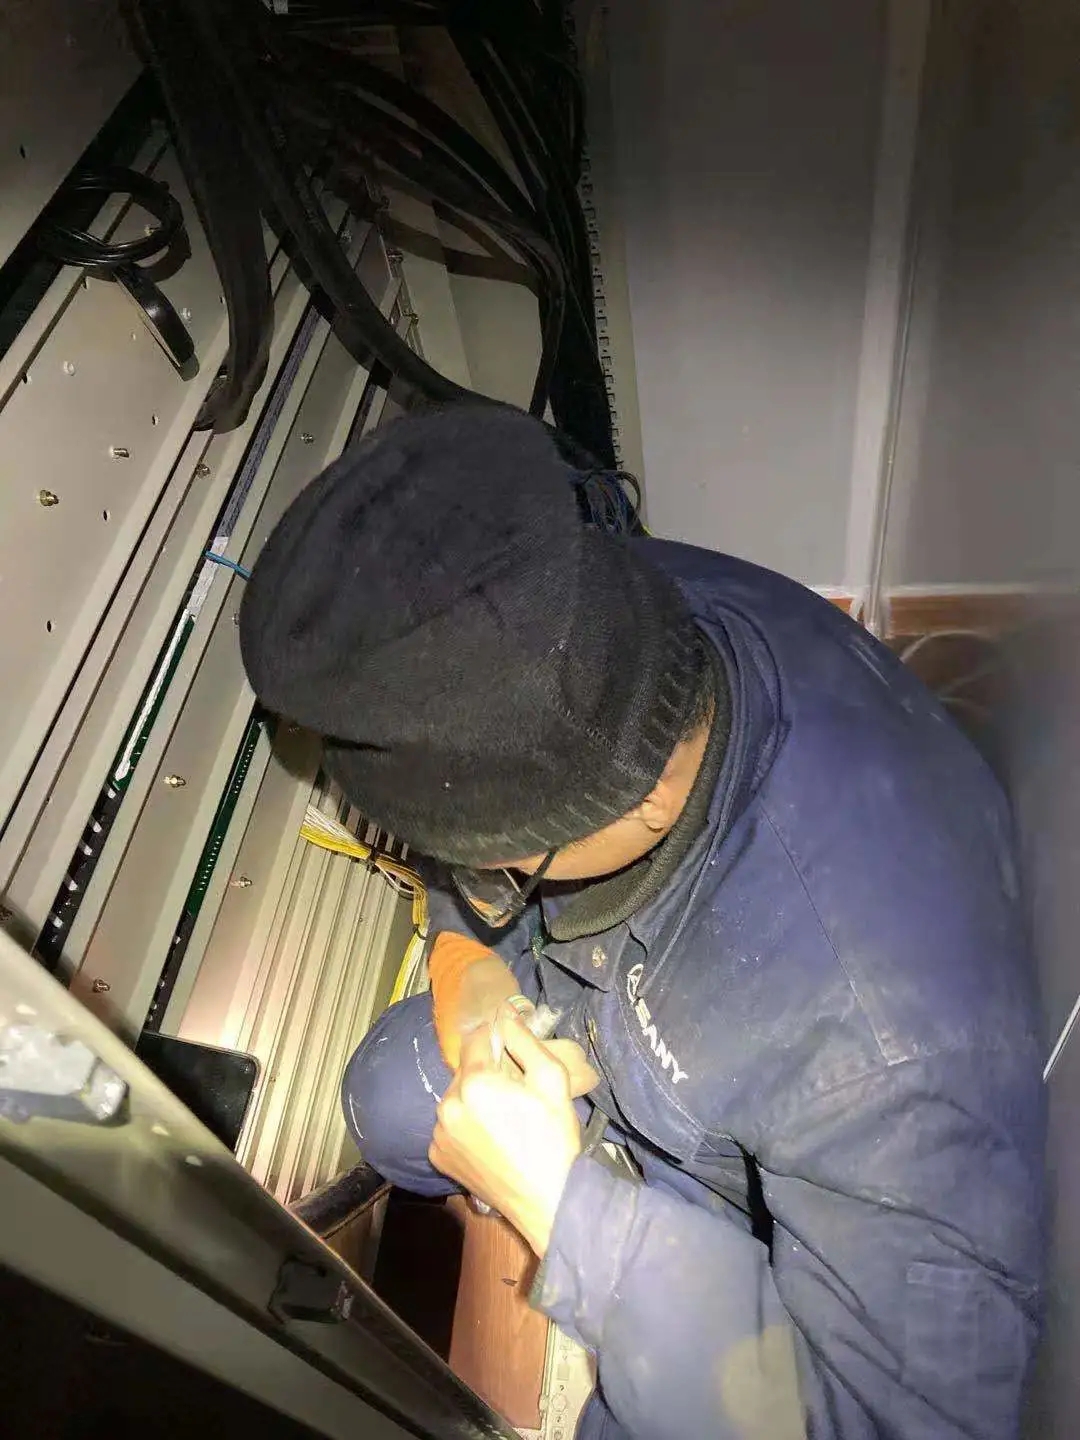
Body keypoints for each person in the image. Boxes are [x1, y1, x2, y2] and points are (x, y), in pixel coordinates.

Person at [239, 404, 1044, 1440]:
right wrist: (465, 956)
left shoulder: (893, 1058)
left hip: (753, 1144)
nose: (467, 871)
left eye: (483, 857)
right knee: (394, 1098)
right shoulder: (579, 606)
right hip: (618, 1004)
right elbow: (470, 849)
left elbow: (898, 1424)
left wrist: (567, 1213)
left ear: (629, 805)